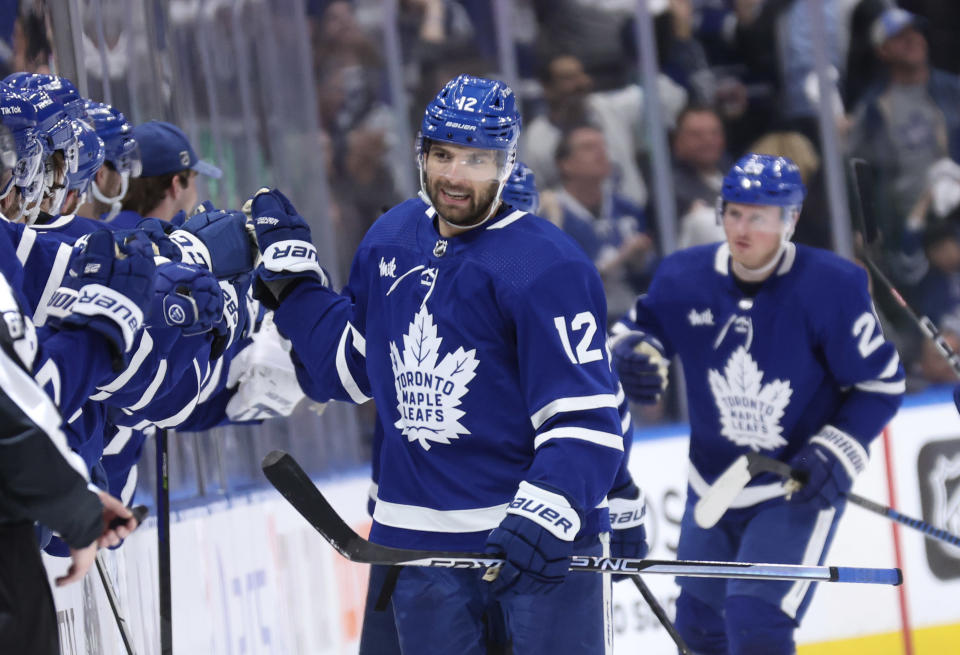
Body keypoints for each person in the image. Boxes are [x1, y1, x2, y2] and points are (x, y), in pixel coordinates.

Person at [249, 74, 629, 653]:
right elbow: (350, 369)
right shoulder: (390, 239)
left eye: (477, 159)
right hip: (419, 548)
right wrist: (298, 292)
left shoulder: (547, 266)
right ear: (421, 153)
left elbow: (586, 423)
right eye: (442, 154)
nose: (454, 175)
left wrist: (546, 513)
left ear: (506, 163)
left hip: (527, 541)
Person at [610, 154, 905, 654]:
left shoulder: (832, 286)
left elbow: (881, 385)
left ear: (790, 220)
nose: (742, 229)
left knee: (756, 622)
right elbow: (633, 335)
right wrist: (634, 356)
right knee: (700, 626)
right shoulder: (684, 276)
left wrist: (836, 450)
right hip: (713, 483)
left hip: (794, 483)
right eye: (734, 212)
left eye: (760, 217)